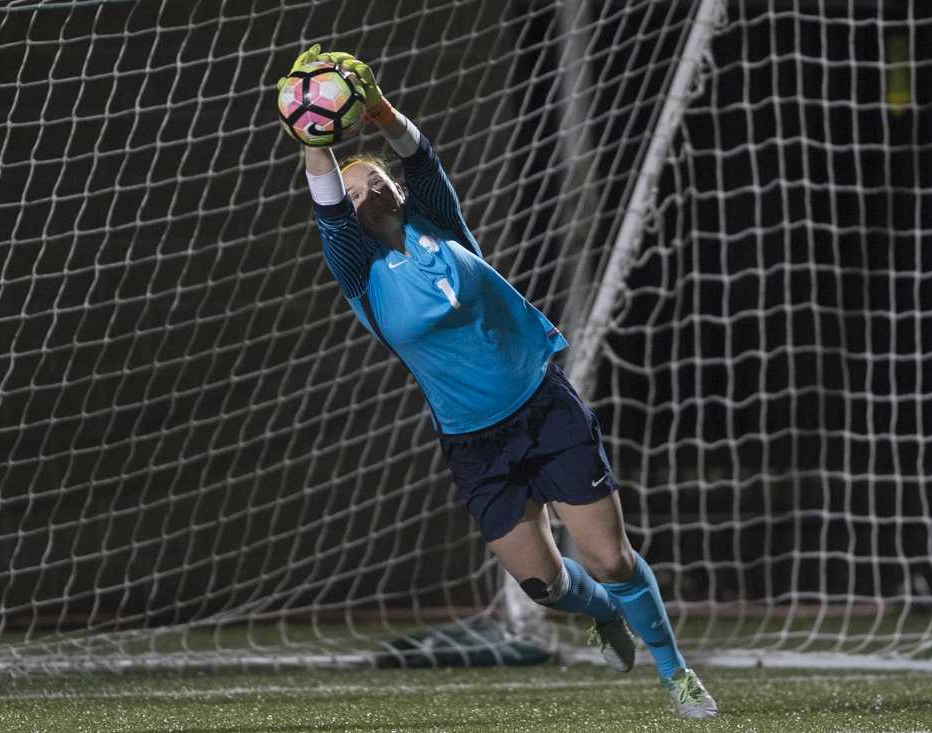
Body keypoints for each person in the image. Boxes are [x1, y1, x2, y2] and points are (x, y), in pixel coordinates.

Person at [280, 45, 718, 719]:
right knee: (546, 583)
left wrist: (377, 110)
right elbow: (328, 210)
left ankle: (674, 670)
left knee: (610, 557)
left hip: (543, 407)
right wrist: (317, 141)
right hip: (473, 443)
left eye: (376, 179)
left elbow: (421, 160)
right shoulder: (360, 275)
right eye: (357, 185)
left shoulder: (441, 225)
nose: (370, 188)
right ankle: (602, 616)